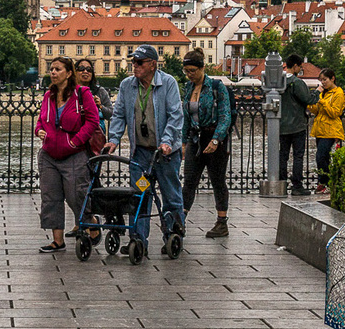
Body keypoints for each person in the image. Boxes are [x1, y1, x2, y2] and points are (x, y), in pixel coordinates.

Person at [103, 44, 185, 253]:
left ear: (152, 65)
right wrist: (113, 139)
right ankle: (138, 240)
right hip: (140, 152)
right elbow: (119, 114)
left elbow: (176, 116)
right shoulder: (127, 85)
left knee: (170, 195)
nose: (134, 66)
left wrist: (167, 141)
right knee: (139, 195)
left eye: (139, 63)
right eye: (133, 62)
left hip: (165, 153)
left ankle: (173, 234)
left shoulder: (168, 83)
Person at [35, 57, 101, 252]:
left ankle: (92, 223)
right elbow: (42, 119)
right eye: (51, 69)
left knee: (76, 195)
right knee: (51, 197)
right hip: (49, 154)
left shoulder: (82, 94)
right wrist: (39, 130)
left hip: (74, 153)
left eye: (57, 69)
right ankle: (57, 240)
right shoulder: (48, 95)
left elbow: (92, 121)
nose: (53, 72)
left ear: (69, 73)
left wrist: (75, 141)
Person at [179, 50, 232, 239]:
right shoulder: (188, 87)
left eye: (192, 70)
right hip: (195, 138)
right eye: (186, 71)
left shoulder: (216, 86)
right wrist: (184, 142)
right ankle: (180, 220)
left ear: (202, 68)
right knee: (189, 181)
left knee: (217, 180)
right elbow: (186, 117)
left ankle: (221, 222)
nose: (189, 74)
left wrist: (216, 139)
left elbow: (225, 116)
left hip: (214, 138)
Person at [278, 53, 319, 195]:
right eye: (300, 66)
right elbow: (308, 100)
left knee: (282, 155)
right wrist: (318, 92)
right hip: (297, 125)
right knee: (298, 155)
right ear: (295, 66)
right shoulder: (297, 83)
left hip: (281, 125)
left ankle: (281, 183)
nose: (301, 69)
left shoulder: (278, 81)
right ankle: (296, 186)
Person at [311, 68, 345, 197]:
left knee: (321, 156)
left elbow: (334, 112)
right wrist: (312, 103)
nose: (323, 83)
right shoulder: (323, 93)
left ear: (332, 79)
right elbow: (317, 111)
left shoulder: (338, 93)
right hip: (320, 129)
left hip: (331, 130)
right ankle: (324, 182)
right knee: (322, 157)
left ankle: (325, 182)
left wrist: (322, 101)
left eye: (325, 80)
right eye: (321, 80)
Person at [73, 60, 112, 126]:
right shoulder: (69, 91)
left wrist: (100, 106)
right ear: (75, 72)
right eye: (81, 69)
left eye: (89, 69)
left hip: (94, 133)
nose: (85, 71)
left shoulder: (100, 91)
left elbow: (111, 114)